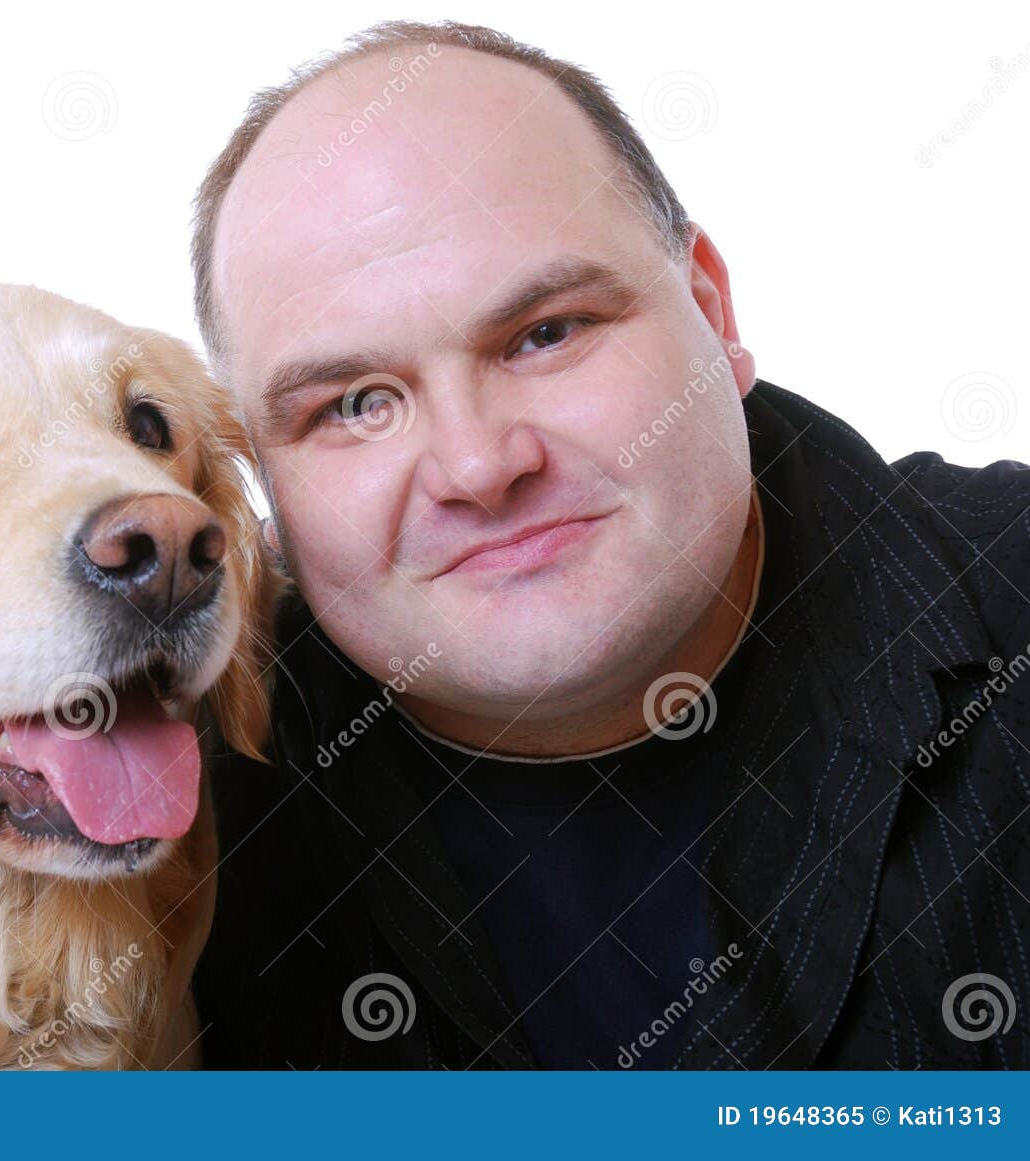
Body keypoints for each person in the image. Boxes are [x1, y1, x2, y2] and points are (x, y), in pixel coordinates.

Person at [188, 20, 1030, 1068]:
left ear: (711, 309)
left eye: (546, 334)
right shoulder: (149, 815)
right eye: (354, 404)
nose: (477, 466)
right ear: (255, 474)